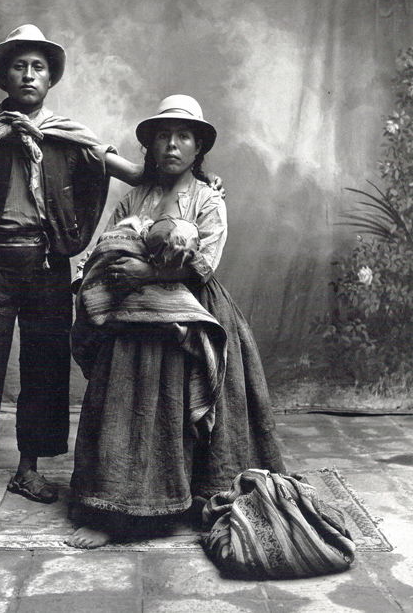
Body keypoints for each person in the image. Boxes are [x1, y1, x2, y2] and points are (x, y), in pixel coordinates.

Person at [0, 24, 143, 520]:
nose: (29, 74)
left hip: (47, 267)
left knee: (45, 368)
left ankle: (29, 468)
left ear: (51, 78)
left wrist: (201, 176)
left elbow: (136, 175)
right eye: (20, 65)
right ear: (5, 76)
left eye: (38, 66)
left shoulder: (69, 137)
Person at [66, 95, 286, 548]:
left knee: (187, 406)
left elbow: (205, 262)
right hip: (133, 312)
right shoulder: (135, 196)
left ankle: (193, 497)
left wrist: (150, 270)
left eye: (183, 136)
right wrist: (117, 264)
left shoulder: (208, 199)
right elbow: (112, 242)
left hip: (191, 314)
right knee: (128, 402)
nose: (172, 145)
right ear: (150, 145)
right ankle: (118, 510)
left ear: (198, 148)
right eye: (163, 135)